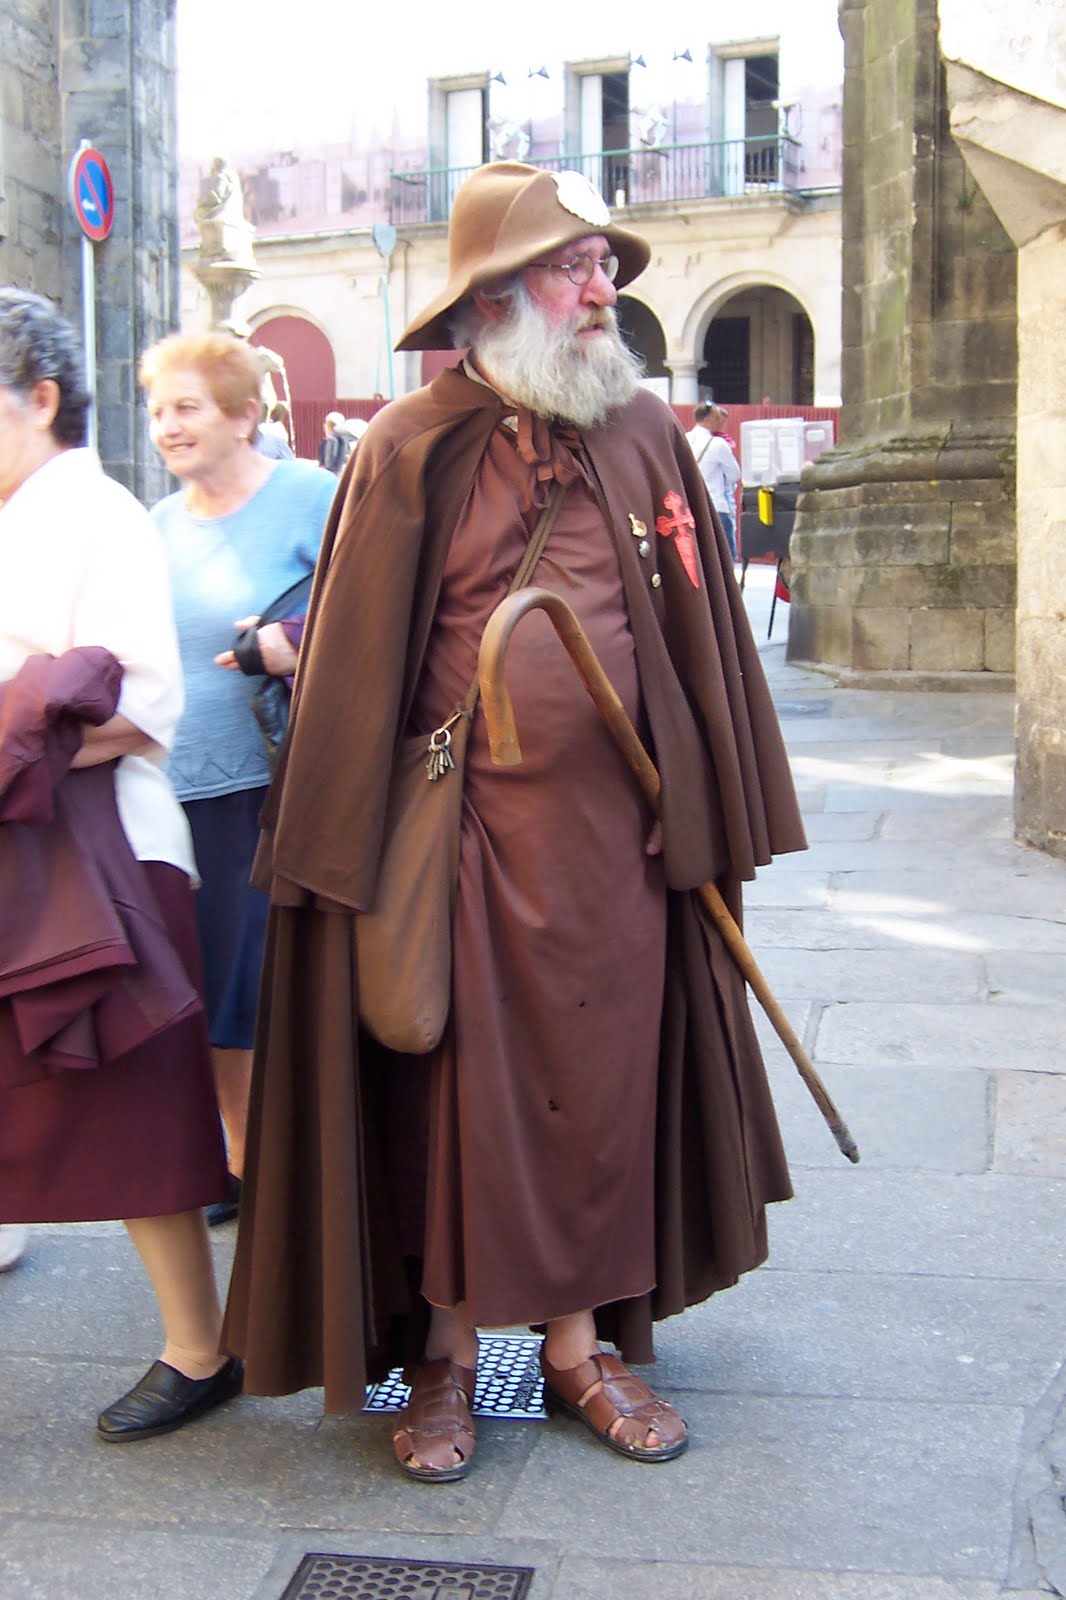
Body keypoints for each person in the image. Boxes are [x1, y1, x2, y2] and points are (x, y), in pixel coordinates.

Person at [224, 162, 806, 1481]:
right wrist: (344, 847)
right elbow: (356, 664)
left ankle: (577, 1345)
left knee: (601, 1095)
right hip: (459, 841)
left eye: (602, 263)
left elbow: (701, 641)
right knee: (452, 1093)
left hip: (620, 848)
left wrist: (707, 804)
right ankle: (439, 1356)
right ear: (491, 296)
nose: (599, 287)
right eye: (568, 266)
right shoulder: (405, 443)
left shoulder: (648, 433)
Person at [0, 287, 241, 1441]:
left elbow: (144, 703)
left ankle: (200, 1347)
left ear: (41, 399)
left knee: (137, 1105)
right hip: (19, 843)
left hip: (100, 849)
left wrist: (9, 743)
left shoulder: (96, 513)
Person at [139, 333, 335, 1227]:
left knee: (272, 984)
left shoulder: (311, 498)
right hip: (179, 789)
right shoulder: (156, 529)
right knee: (216, 984)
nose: (166, 427)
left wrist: (295, 649)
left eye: (187, 407)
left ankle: (295, 1156)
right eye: (157, 411)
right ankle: (240, 1156)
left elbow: (380, 614)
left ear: (245, 415)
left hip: (287, 781)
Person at [685, 402, 741, 560]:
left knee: (699, 557)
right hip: (716, 506)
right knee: (725, 557)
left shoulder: (685, 439)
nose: (721, 422)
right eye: (717, 418)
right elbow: (734, 474)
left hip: (691, 506)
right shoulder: (718, 444)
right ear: (707, 419)